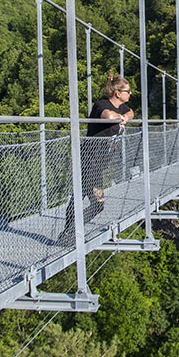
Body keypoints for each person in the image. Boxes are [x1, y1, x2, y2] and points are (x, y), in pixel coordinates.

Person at [58, 74, 134, 244]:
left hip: (98, 165)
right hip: (89, 160)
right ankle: (69, 234)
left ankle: (68, 234)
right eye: (127, 91)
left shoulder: (120, 106)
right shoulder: (102, 105)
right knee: (93, 202)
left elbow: (131, 112)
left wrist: (126, 117)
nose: (130, 94)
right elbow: (107, 116)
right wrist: (121, 119)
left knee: (82, 197)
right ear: (117, 93)